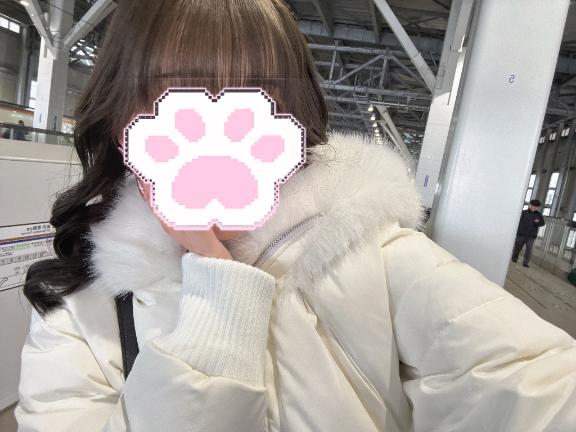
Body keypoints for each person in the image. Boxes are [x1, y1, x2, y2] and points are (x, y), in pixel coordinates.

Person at [16, 1, 576, 431]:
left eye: (250, 98)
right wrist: (219, 290)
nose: (214, 133)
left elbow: (536, 386)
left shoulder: (374, 254)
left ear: (292, 121)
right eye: (176, 97)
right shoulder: (80, 312)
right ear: (123, 124)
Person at [512, 199, 546, 267]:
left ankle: (525, 263)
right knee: (517, 247)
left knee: (529, 250)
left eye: (536, 207)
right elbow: (516, 221)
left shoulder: (539, 215)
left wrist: (538, 222)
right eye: (533, 206)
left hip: (531, 236)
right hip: (521, 234)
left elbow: (542, 223)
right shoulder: (523, 213)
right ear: (529, 205)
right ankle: (514, 258)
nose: (534, 208)